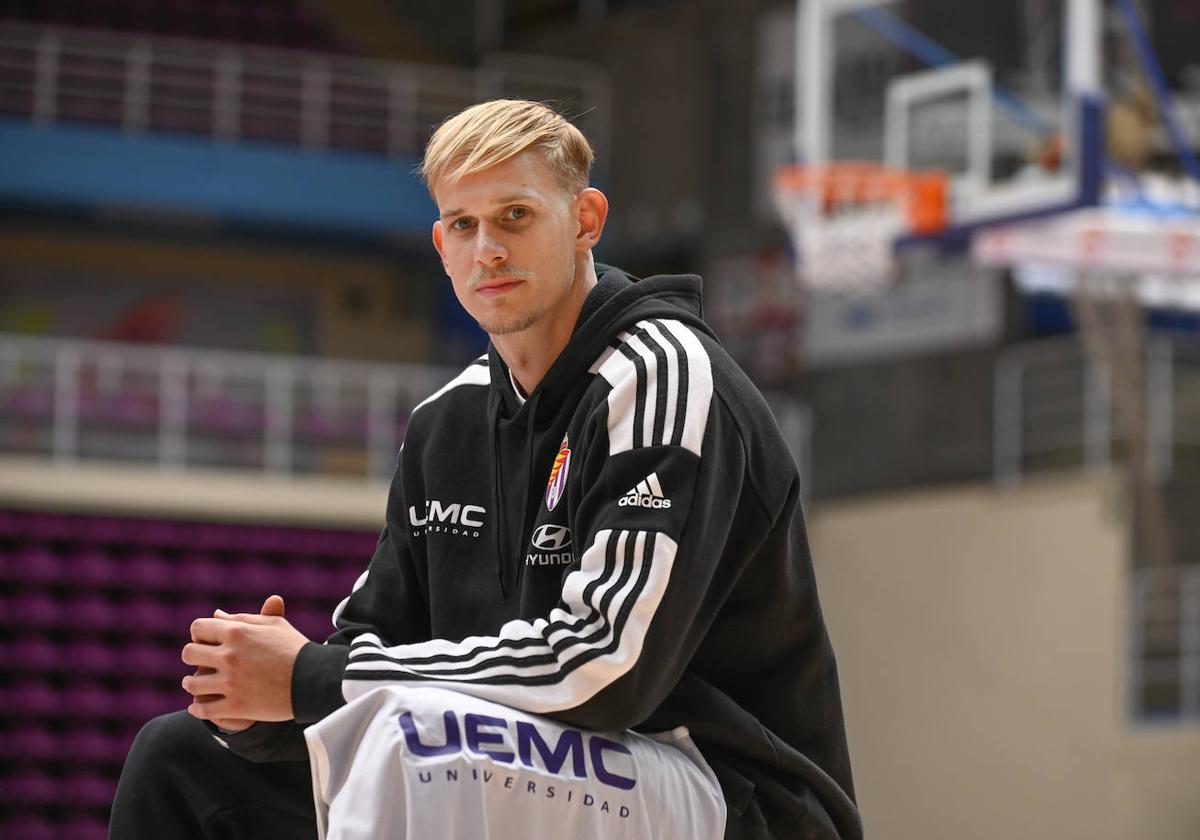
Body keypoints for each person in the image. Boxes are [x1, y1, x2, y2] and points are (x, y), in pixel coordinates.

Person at [110, 99, 861, 840]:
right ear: (441, 245)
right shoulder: (446, 422)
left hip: (733, 795)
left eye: (515, 217)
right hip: (526, 762)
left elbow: (606, 669)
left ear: (585, 220)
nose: (487, 251)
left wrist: (310, 678)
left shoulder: (666, 377)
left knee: (417, 739)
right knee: (180, 757)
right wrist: (264, 710)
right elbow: (374, 648)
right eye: (463, 226)